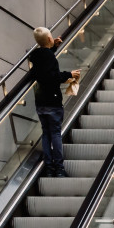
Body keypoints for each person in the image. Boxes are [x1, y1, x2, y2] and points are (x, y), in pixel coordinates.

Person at [29, 27, 80, 177]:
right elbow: (52, 75)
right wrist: (69, 74)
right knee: (56, 134)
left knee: (46, 134)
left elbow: (44, 66)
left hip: (40, 102)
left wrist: (54, 47)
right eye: (52, 38)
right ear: (50, 39)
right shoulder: (48, 57)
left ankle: (49, 168)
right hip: (53, 101)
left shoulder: (35, 56)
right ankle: (59, 168)